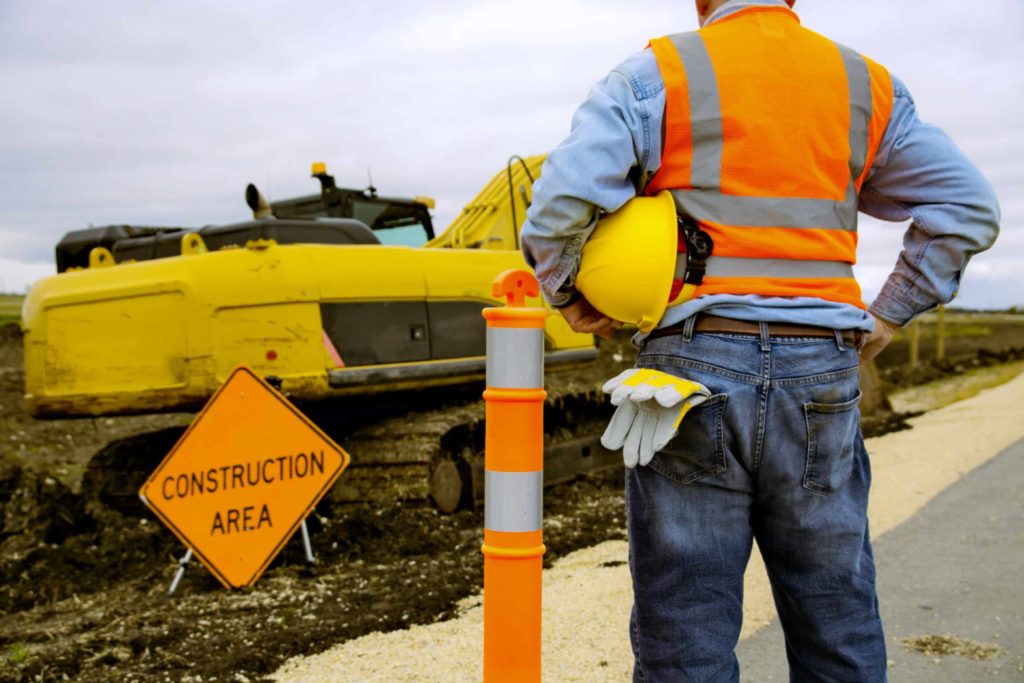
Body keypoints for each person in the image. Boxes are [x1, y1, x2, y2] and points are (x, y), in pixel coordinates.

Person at [519, 0, 1000, 680]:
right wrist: (889, 313)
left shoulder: (659, 72)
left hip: (687, 371)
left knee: (685, 628)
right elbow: (968, 206)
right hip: (821, 370)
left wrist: (568, 291)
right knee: (836, 617)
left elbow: (559, 203)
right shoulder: (865, 85)